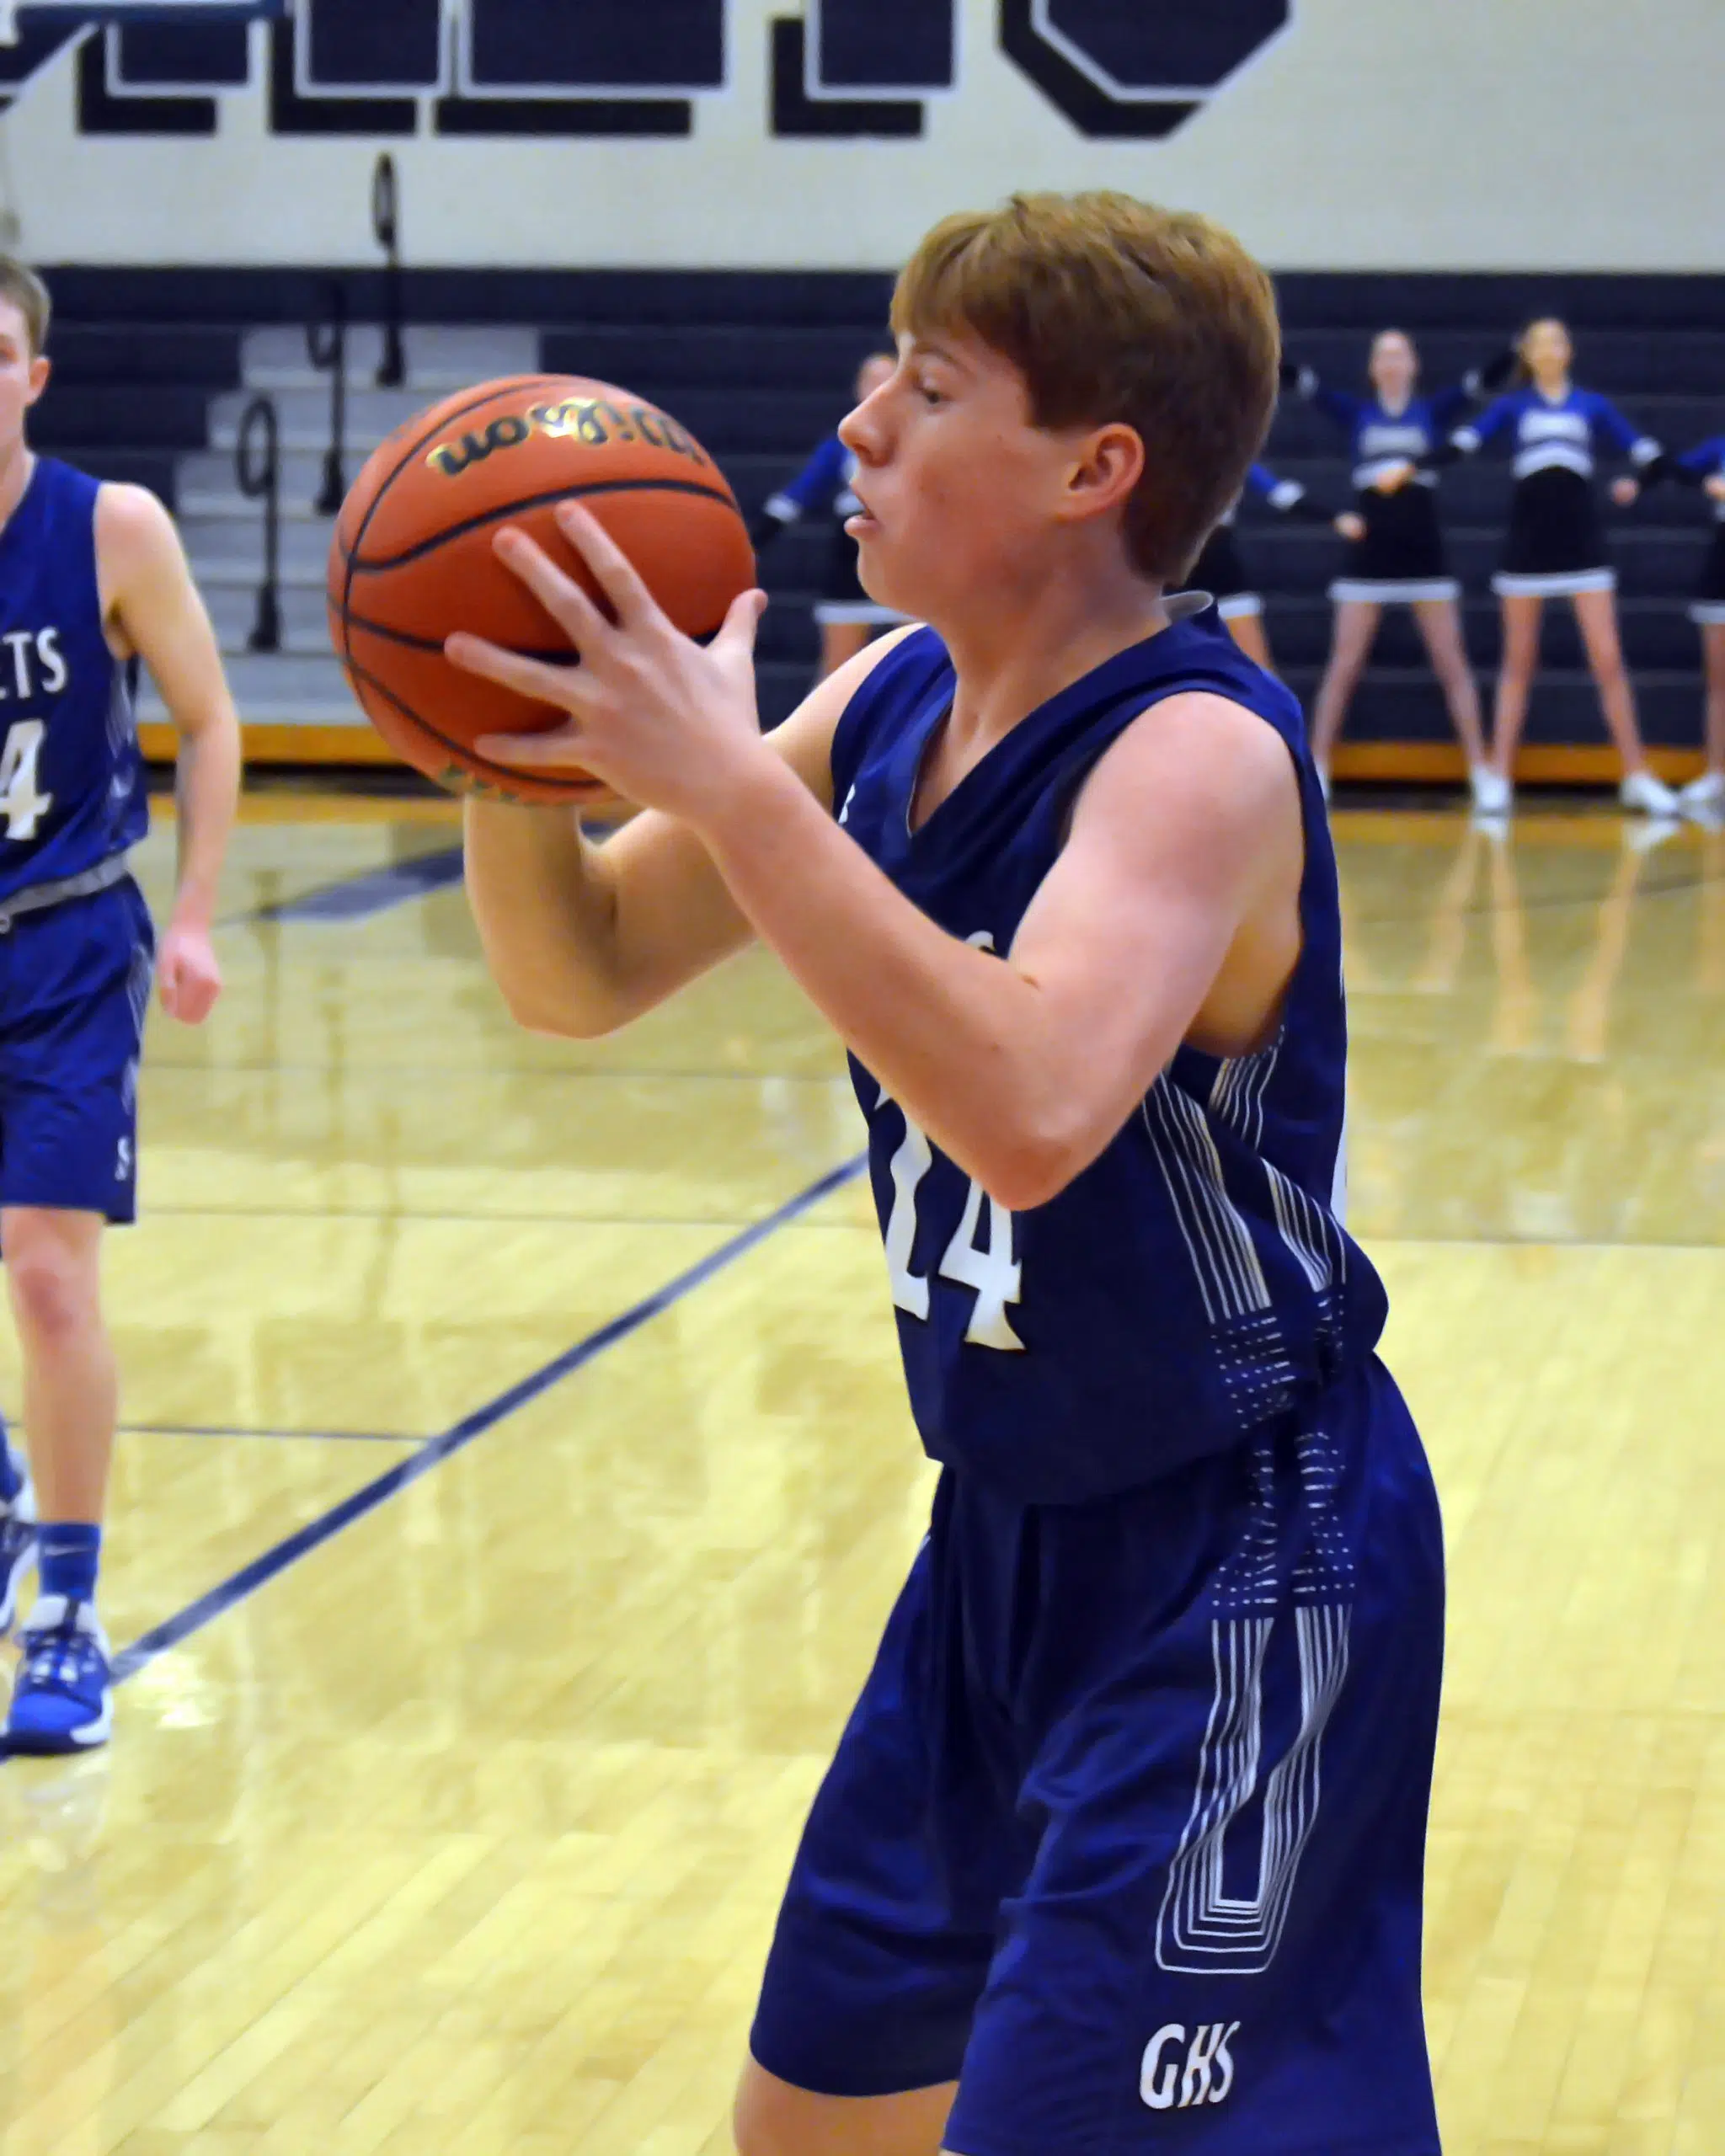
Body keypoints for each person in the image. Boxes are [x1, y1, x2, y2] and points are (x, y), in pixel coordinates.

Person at [455, 192, 1444, 2156]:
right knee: (812, 2122)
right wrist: (500, 740)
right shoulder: (887, 698)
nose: (859, 428)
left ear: (1093, 467)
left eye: (924, 386)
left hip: (1234, 1549)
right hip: (997, 1538)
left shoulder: (1195, 751)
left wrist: (731, 785)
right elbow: (584, 970)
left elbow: (1033, 1102)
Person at [0, 257, 240, 1753]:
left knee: (44, 1271)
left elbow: (209, 721)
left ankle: (69, 1616)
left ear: (30, 372)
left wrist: (200, 913)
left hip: (68, 941)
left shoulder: (108, 527)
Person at [1384, 318, 1679, 816]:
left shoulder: (1593, 405)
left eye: (1558, 340)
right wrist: (1413, 469)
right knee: (1519, 661)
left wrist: (1637, 485)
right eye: (1540, 342)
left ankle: (1636, 774)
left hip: (1583, 542)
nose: (1550, 349)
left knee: (1607, 659)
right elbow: (1464, 444)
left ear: (1569, 350)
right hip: (1528, 542)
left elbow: (1648, 454)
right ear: (1529, 354)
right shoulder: (1511, 406)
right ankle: (1499, 775)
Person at [1284, 332, 1511, 806]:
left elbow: (1480, 385)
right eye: (1383, 355)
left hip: (1423, 548)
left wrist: (1517, 351)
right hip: (1370, 551)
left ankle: (1482, 770)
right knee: (1343, 665)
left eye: (1400, 353)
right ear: (1372, 368)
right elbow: (1304, 385)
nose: (1392, 361)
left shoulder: (1433, 410)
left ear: (1413, 364)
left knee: (1453, 664)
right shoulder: (1355, 413)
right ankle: (1318, 768)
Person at [752, 352, 911, 680]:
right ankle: (826, 729)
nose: (878, 387)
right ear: (858, 388)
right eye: (871, 379)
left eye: (887, 378)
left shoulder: (925, 438)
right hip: (851, 557)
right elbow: (802, 492)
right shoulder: (843, 443)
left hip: (908, 553)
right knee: (838, 670)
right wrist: (757, 539)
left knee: (925, 659)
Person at [1621, 433, 1725, 815]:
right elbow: (1674, 467)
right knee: (1718, 678)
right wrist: (1638, 484)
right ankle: (1717, 773)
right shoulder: (1719, 446)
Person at [1183, 460, 1347, 674]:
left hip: (1220, 567)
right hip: (1169, 574)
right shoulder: (1161, 453)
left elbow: (1282, 495)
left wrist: (1333, 518)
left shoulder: (1233, 453)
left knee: (1259, 670)